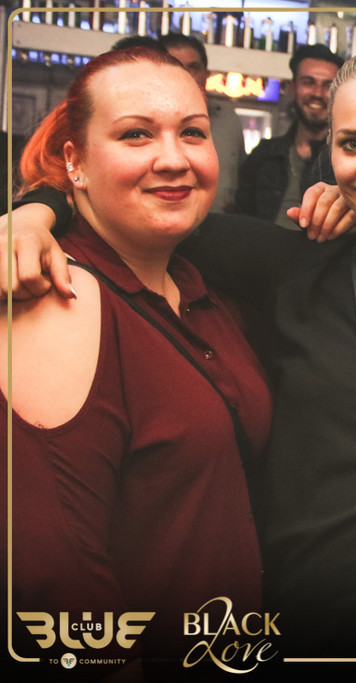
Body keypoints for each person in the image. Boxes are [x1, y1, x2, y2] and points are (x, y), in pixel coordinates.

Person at [4, 44, 356, 668]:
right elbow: (138, 203)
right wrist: (33, 214)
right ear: (331, 152)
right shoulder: (296, 263)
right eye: (353, 144)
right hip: (266, 635)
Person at [6, 47, 271, 670]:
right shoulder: (60, 298)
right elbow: (59, 587)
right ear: (74, 161)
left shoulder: (199, 287)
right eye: (136, 135)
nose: (174, 158)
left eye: (193, 133)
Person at [235, 43, 343, 229]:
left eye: (328, 85)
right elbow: (240, 222)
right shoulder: (263, 155)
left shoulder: (347, 161)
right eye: (308, 82)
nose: (318, 93)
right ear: (292, 88)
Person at [158, 32, 247, 215]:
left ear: (206, 74)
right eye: (176, 66)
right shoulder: (147, 123)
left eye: (194, 67)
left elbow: (243, 180)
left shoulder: (228, 119)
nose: (187, 75)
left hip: (221, 226)